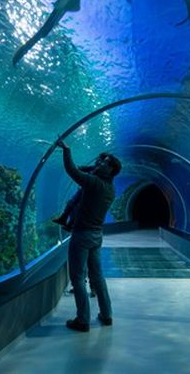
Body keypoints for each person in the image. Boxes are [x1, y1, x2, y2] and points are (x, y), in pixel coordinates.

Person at [55, 138, 121, 332]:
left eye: (105, 163)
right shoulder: (109, 187)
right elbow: (89, 169)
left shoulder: (94, 183)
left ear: (111, 170)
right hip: (96, 235)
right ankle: (106, 314)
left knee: (77, 277)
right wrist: (98, 165)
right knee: (98, 277)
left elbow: (73, 171)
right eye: (101, 161)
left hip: (82, 235)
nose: (99, 163)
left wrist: (66, 150)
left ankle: (83, 320)